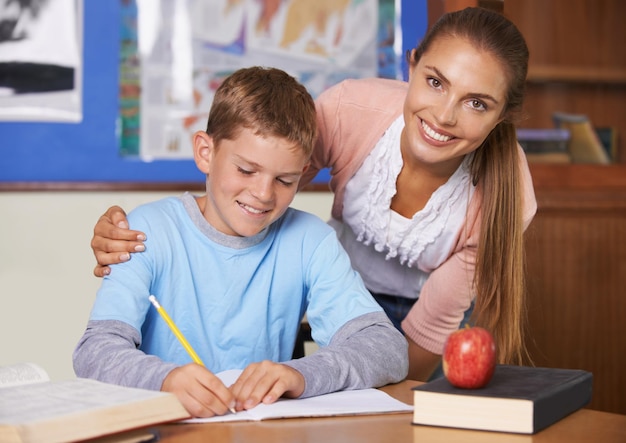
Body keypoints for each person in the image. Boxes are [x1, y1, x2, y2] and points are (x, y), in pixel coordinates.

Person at [89, 7, 537, 382]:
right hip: (345, 285)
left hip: (416, 319)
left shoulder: (502, 195)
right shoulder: (346, 114)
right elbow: (256, 179)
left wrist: (310, 375)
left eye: (477, 102)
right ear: (413, 65)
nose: (444, 114)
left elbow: (401, 349)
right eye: (436, 82)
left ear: (504, 115)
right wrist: (138, 228)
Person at [73, 66, 408, 418]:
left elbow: (386, 348)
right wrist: (164, 379)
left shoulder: (311, 241)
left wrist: (301, 373)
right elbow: (95, 350)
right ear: (205, 152)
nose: (263, 194)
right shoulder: (147, 231)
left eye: (284, 179)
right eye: (246, 171)